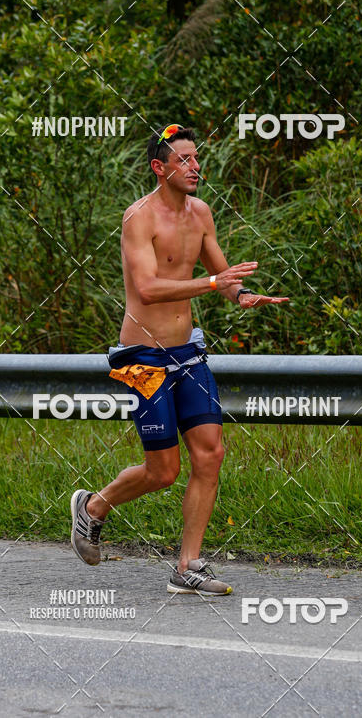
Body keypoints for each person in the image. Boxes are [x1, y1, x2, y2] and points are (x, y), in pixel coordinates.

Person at [70, 124, 288, 595]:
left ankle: (188, 565)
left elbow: (221, 274)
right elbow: (147, 288)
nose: (194, 167)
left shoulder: (201, 214)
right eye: (184, 160)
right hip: (144, 358)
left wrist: (242, 293)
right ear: (159, 168)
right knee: (162, 471)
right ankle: (93, 508)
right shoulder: (139, 219)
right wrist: (213, 285)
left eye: (195, 158)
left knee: (211, 453)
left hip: (188, 353)